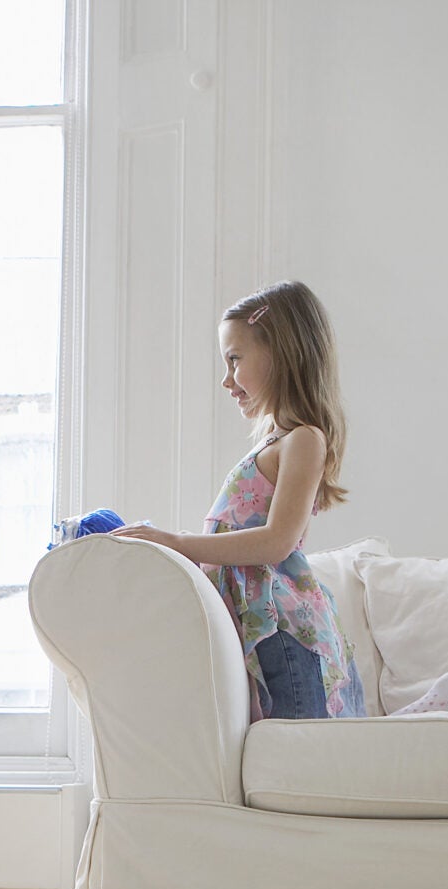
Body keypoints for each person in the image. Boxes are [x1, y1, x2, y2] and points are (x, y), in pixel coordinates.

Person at [113, 281, 367, 720]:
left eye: (235, 360)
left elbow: (275, 543)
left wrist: (176, 541)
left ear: (282, 354)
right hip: (261, 627)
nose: (226, 380)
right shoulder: (275, 442)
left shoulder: (304, 439)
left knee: (297, 753)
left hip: (283, 627)